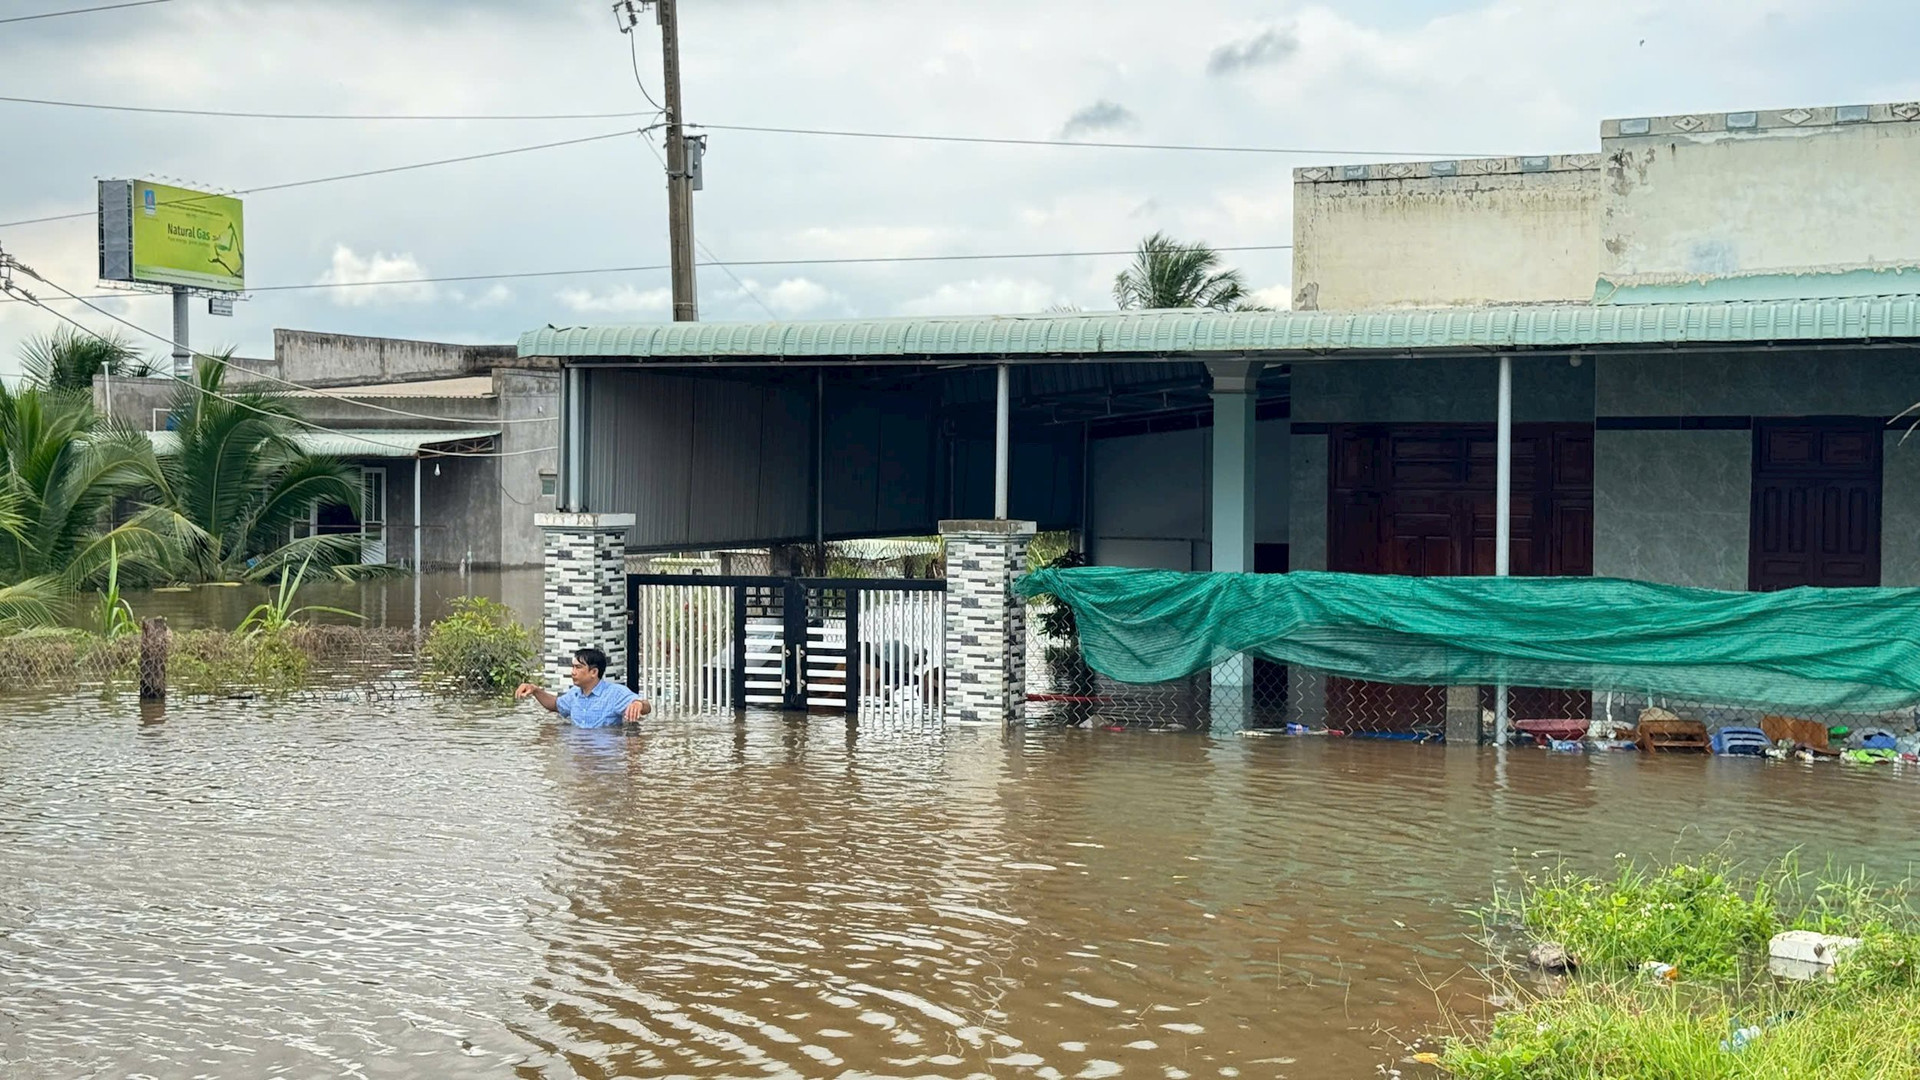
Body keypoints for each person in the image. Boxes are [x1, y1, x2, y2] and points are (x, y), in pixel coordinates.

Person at [515, 647, 651, 727]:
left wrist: (638, 704)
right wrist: (535, 690)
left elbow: (647, 707)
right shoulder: (574, 694)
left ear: (594, 672)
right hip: (579, 752)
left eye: (578, 667)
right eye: (573, 667)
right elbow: (555, 705)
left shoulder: (614, 693)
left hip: (603, 756)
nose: (573, 672)